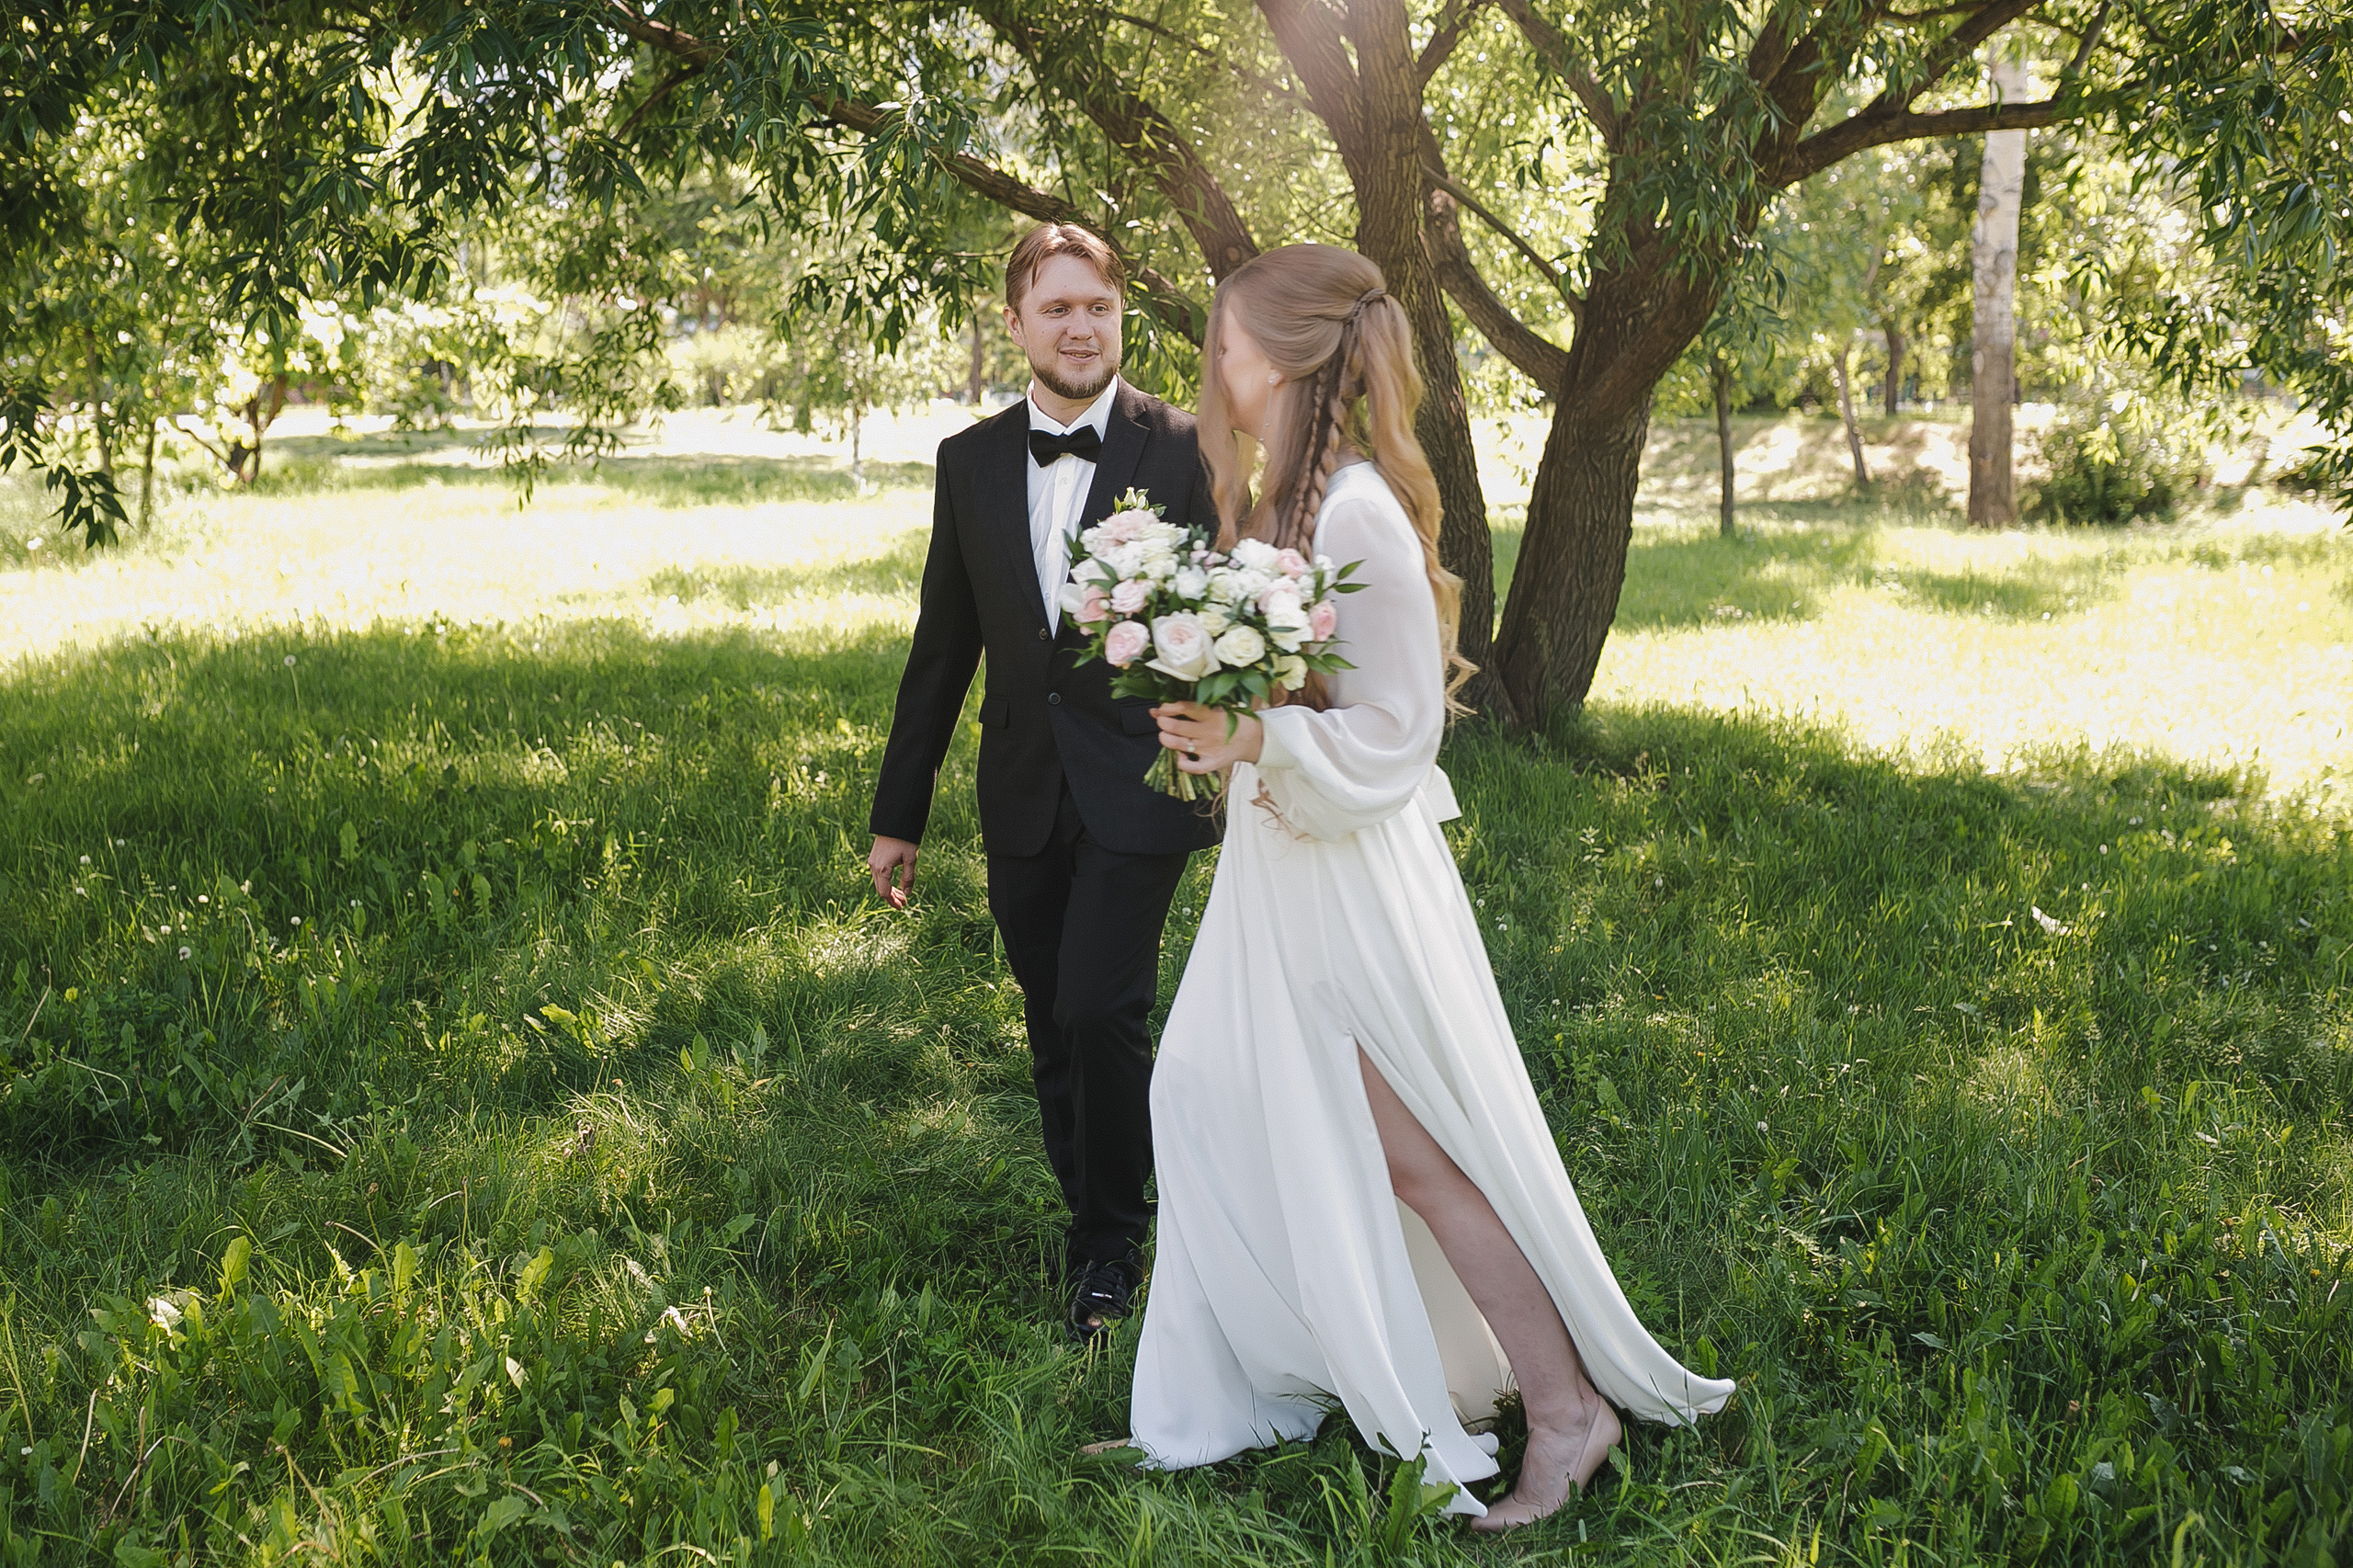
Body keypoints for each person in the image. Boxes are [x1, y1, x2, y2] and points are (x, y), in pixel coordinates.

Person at [1121, 245, 1735, 1531]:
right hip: (1280, 871)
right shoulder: (1280, 503)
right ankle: (1240, 1381)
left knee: (1410, 1151)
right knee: (1211, 1094)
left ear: (1280, 355)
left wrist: (1259, 736)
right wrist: (1217, 714)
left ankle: (1566, 1409)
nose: (1213, 366)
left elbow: (1401, 732)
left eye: (1226, 342)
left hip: (1351, 880)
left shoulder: (1351, 511)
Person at [867, 223, 1222, 1343]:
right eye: (1058, 307)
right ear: (1016, 321)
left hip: (1143, 779)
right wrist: (899, 814)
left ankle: (1111, 1246)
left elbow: (1228, 608)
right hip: (1020, 785)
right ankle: (1094, 1206)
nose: (1080, 327)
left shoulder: (1184, 446)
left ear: (1122, 319)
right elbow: (943, 644)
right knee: (1050, 1014)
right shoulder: (969, 460)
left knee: (1100, 1005)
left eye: (1098, 307)